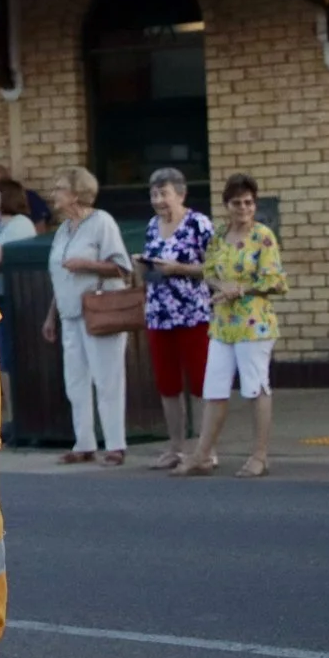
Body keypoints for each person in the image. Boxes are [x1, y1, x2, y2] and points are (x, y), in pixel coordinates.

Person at [177, 174, 286, 478]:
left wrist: (241, 289)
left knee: (255, 387)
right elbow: (208, 271)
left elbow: (274, 280)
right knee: (214, 387)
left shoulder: (263, 236)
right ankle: (201, 454)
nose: (243, 208)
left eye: (249, 202)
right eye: (237, 202)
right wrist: (220, 284)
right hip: (223, 322)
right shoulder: (220, 235)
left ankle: (260, 456)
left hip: (254, 323)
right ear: (227, 205)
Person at [40, 166, 132, 466]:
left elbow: (122, 267)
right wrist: (51, 316)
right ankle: (84, 443)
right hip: (69, 314)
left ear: (76, 193)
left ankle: (115, 444)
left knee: (107, 379)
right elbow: (60, 275)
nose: (54, 194)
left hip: (99, 312)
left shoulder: (101, 222)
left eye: (59, 188)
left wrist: (87, 264)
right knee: (75, 381)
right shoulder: (63, 230)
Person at [137, 167, 212, 471]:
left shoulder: (199, 224)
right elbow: (152, 269)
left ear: (181, 194)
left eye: (164, 194)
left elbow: (215, 269)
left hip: (193, 314)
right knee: (167, 385)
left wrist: (177, 269)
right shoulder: (152, 226)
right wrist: (142, 267)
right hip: (159, 315)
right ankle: (176, 448)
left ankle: (206, 448)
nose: (158, 200)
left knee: (201, 382)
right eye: (154, 194)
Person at [0, 178, 37, 403]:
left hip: (10, 297)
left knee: (8, 356)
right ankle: (6, 412)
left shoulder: (20, 223)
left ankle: (15, 414)